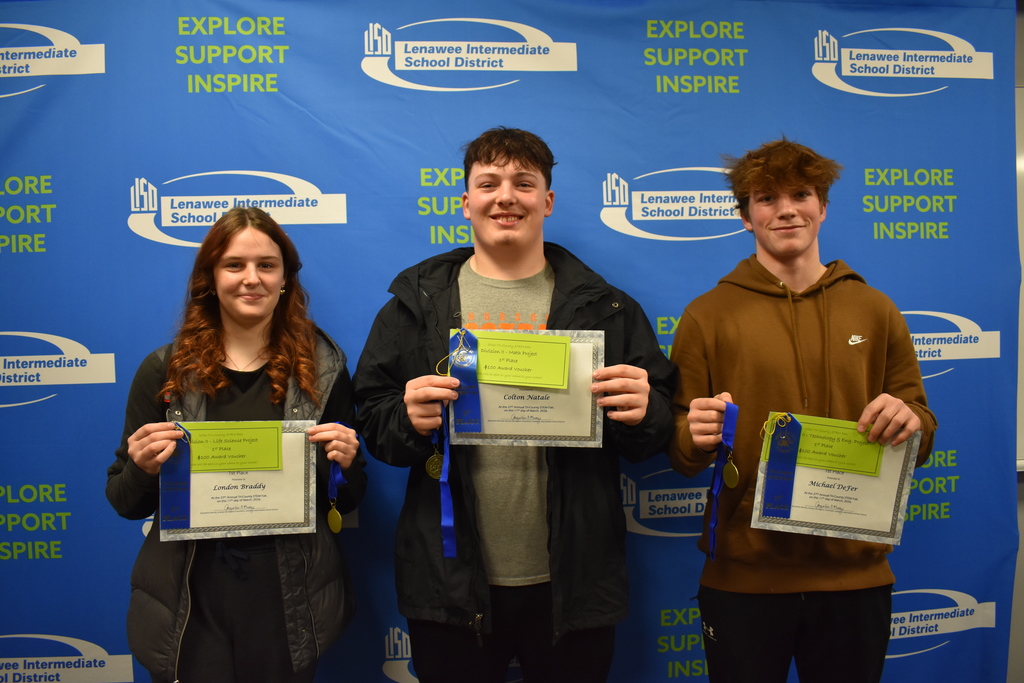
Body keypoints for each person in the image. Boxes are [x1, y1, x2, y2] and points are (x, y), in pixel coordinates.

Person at [354, 127, 676, 683]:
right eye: (489, 183)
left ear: (547, 201)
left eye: (524, 183)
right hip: (450, 579)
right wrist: (406, 419)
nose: (506, 196)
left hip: (572, 582)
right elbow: (373, 422)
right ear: (466, 202)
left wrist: (646, 409)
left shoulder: (608, 308)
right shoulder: (416, 305)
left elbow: (656, 431)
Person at [669, 139, 938, 683]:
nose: (786, 209)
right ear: (745, 216)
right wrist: (692, 435)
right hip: (743, 576)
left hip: (855, 576)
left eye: (801, 193)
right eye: (765, 198)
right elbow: (681, 452)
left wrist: (911, 422)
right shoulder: (705, 316)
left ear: (823, 206)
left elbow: (922, 430)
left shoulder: (876, 309)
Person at [106, 207, 367, 683]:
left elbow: (346, 500)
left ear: (285, 277)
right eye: (234, 265)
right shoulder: (163, 372)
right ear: (210, 277)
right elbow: (125, 502)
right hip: (191, 593)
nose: (252, 279)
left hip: (288, 593)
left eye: (267, 265)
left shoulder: (323, 370)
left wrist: (344, 466)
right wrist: (142, 468)